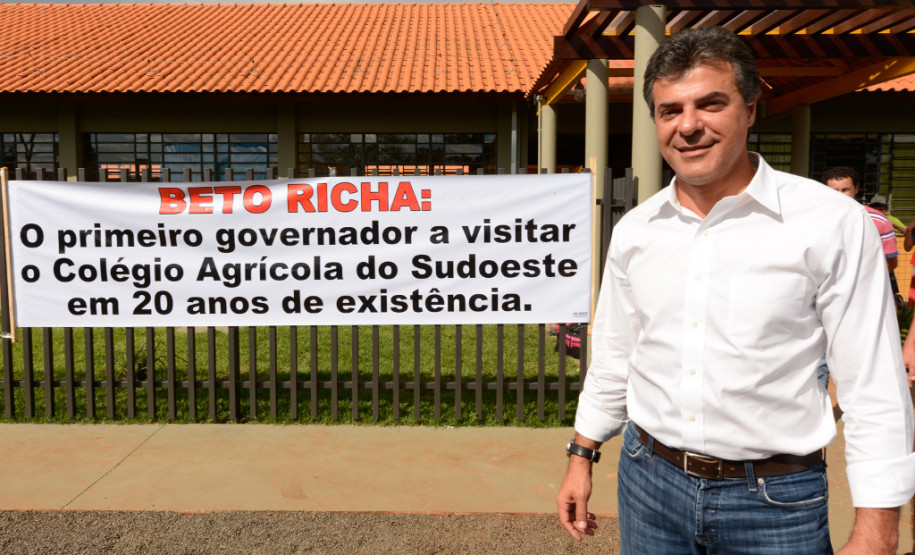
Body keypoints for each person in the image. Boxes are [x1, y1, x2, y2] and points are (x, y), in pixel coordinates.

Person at [556, 26, 915, 554]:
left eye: (711, 104)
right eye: (670, 110)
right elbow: (616, 355)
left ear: (750, 108)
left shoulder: (831, 223)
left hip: (775, 502)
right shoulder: (637, 230)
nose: (689, 126)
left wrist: (879, 529)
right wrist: (581, 453)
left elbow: (875, 386)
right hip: (648, 483)